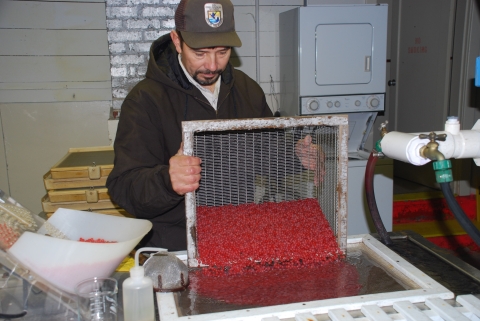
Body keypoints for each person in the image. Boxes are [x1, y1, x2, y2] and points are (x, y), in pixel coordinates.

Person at [106, 0, 273, 251]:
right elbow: (123, 187)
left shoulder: (247, 90)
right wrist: (166, 181)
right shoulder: (146, 100)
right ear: (177, 41)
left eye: (222, 51)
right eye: (200, 53)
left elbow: (267, 153)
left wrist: (297, 155)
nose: (212, 65)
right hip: (175, 245)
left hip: (238, 233)